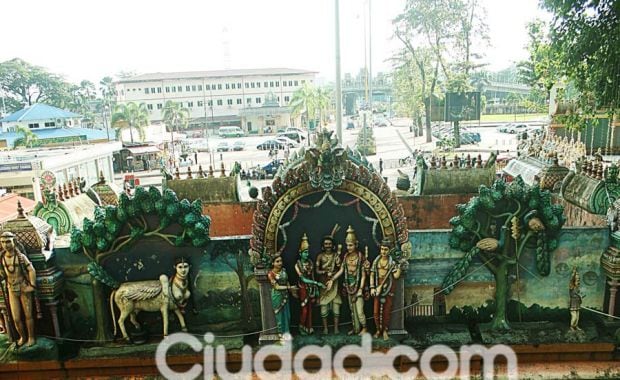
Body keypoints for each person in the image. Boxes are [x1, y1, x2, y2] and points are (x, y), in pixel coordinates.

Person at [0, 231, 37, 346]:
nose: (5, 245)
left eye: (8, 242)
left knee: (28, 315)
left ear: (14, 242)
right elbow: (2, 274)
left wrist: (32, 285)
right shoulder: (2, 258)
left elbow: (31, 270)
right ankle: (22, 337)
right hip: (11, 288)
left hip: (23, 287)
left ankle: (31, 337)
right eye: (2, 242)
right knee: (16, 318)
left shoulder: (21, 257)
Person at [331, 226, 370, 335]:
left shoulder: (360, 256)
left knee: (360, 311)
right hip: (349, 286)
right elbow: (342, 270)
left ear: (356, 244)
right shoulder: (346, 256)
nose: (348, 247)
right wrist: (332, 279)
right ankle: (356, 328)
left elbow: (363, 276)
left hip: (359, 287)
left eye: (351, 245)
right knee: (352, 311)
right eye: (347, 245)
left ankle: (364, 328)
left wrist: (360, 289)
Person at [370, 239, 401, 340]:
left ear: (389, 250)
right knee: (375, 312)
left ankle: (385, 330)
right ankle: (378, 329)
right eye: (382, 249)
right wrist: (372, 287)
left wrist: (399, 267)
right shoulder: (377, 261)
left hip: (388, 288)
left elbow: (396, 276)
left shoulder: (392, 263)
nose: (383, 251)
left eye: (386, 249)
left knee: (386, 312)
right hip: (377, 288)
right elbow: (372, 274)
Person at [294, 234, 324, 335]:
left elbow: (312, 277)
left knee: (310, 309)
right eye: (305, 252)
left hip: (310, 289)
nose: (307, 254)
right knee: (304, 310)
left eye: (308, 252)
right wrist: (316, 283)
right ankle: (301, 326)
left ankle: (309, 327)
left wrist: (315, 288)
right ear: (300, 253)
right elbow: (303, 279)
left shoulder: (310, 262)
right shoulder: (297, 264)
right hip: (303, 288)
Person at [315, 235, 342, 334]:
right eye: (326, 244)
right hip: (324, 284)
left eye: (330, 244)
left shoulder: (336, 255)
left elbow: (340, 269)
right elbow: (317, 271)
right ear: (323, 245)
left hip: (334, 283)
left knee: (336, 307)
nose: (328, 246)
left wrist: (338, 264)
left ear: (333, 245)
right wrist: (324, 272)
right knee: (324, 308)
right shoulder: (320, 256)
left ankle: (336, 328)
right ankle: (325, 328)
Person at [268, 255, 292, 338]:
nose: (280, 263)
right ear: (273, 263)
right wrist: (289, 288)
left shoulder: (284, 270)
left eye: (280, 261)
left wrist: (291, 290)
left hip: (285, 295)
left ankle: (287, 333)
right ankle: (281, 335)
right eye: (277, 261)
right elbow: (277, 287)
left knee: (287, 316)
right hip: (277, 296)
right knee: (279, 317)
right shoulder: (271, 274)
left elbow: (287, 281)